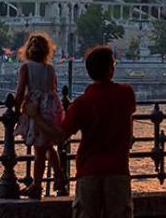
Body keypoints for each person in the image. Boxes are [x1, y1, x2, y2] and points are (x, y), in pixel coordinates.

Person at [58, 44, 137, 218]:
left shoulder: (82, 103)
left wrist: (36, 117)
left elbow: (60, 136)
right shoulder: (126, 94)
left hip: (89, 171)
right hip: (118, 170)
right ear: (110, 69)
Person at [13, 32, 63, 199]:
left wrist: (16, 109)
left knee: (39, 151)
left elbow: (20, 91)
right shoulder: (50, 69)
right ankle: (59, 175)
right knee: (48, 145)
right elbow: (53, 88)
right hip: (50, 108)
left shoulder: (25, 68)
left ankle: (37, 185)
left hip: (35, 110)